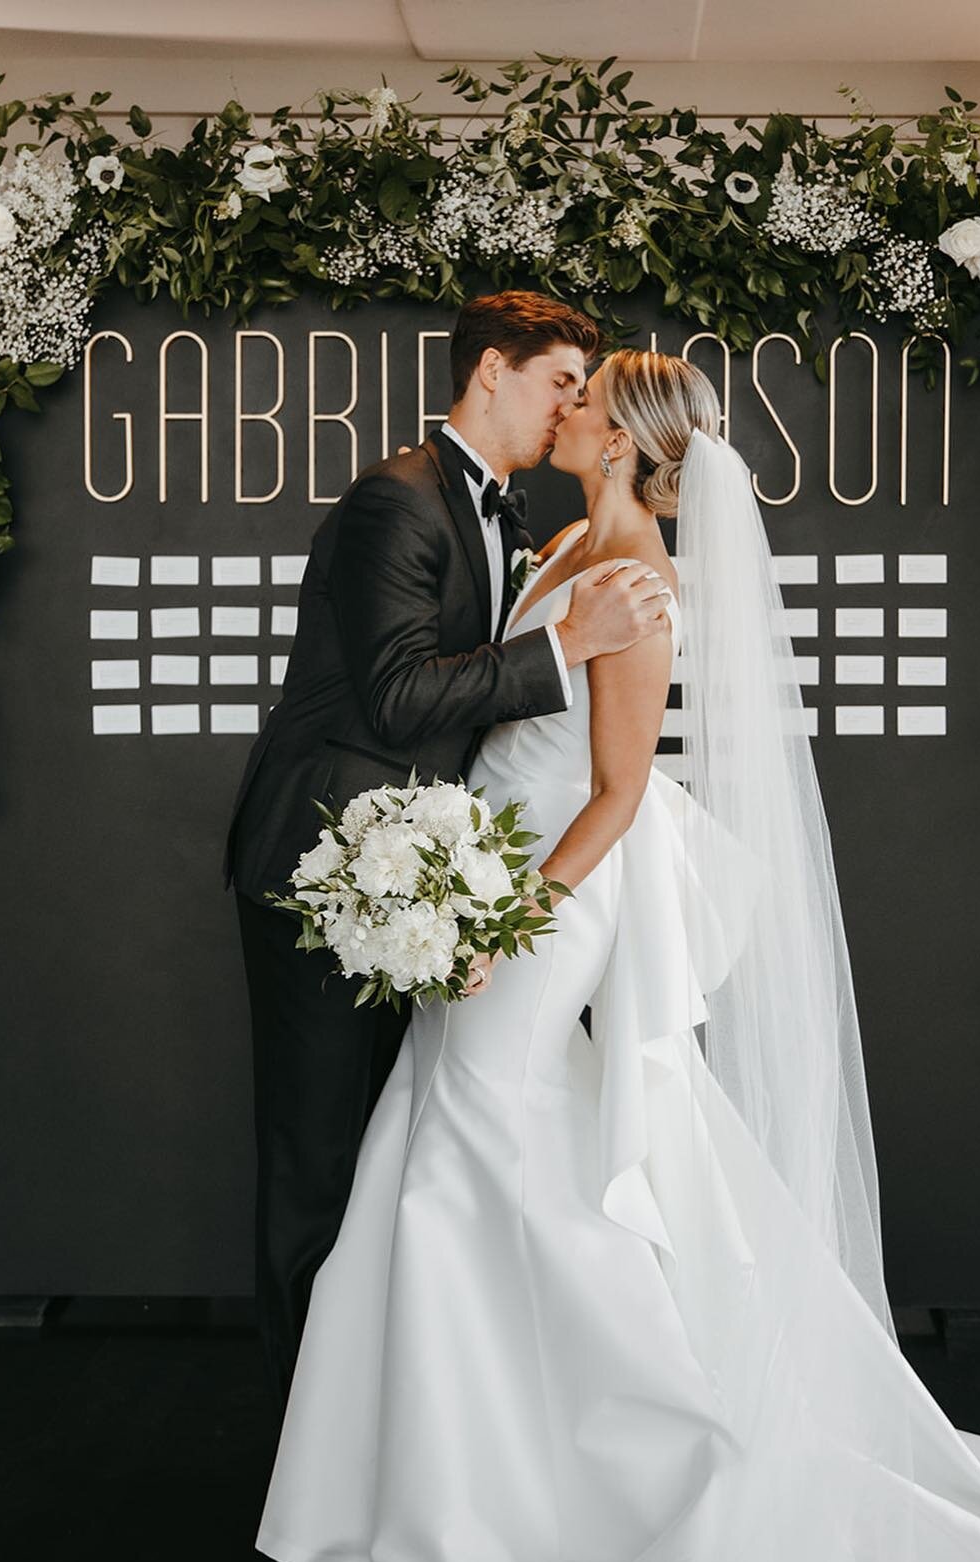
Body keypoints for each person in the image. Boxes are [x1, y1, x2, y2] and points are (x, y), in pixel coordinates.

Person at [255, 349, 980, 1562]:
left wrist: (502, 916)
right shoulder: (566, 547)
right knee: (439, 1146)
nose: (566, 406)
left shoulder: (641, 579)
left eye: (584, 397)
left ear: (617, 441)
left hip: (548, 898)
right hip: (488, 884)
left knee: (473, 1154)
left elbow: (611, 791)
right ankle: (423, 1491)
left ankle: (610, 1463)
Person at [223, 293, 674, 1414]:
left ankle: (416, 1420)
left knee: (407, 1156)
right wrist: (566, 641)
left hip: (430, 885)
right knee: (325, 1161)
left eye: (585, 389)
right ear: (490, 371)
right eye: (558, 378)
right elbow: (394, 693)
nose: (571, 400)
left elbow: (577, 755)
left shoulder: (530, 519)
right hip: (326, 863)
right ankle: (305, 1439)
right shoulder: (398, 498)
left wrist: (492, 894)